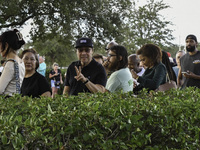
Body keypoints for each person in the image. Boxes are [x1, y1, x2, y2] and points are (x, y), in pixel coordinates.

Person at [0, 29, 25, 97]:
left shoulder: (10, 63)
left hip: (6, 102)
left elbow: (0, 89)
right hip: (14, 100)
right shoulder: (20, 61)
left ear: (6, 45)